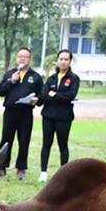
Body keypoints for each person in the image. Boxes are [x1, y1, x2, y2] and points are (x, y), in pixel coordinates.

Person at [0, 47, 43, 180]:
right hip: (10, 112)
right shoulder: (10, 74)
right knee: (6, 139)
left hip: (26, 113)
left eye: (25, 56)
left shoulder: (35, 76)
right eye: (20, 56)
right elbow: (0, 90)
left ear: (30, 59)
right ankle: (2, 167)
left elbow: (42, 95)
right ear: (16, 59)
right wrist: (12, 81)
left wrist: (37, 100)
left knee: (24, 140)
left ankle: (21, 168)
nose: (22, 58)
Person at [38, 49, 80, 183]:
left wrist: (54, 94)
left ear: (70, 61)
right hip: (48, 116)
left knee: (63, 145)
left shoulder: (73, 78)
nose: (63, 62)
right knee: (46, 144)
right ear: (57, 60)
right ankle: (43, 172)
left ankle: (64, 175)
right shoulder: (51, 78)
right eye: (61, 59)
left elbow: (70, 96)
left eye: (66, 59)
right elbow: (44, 95)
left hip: (64, 118)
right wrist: (56, 96)